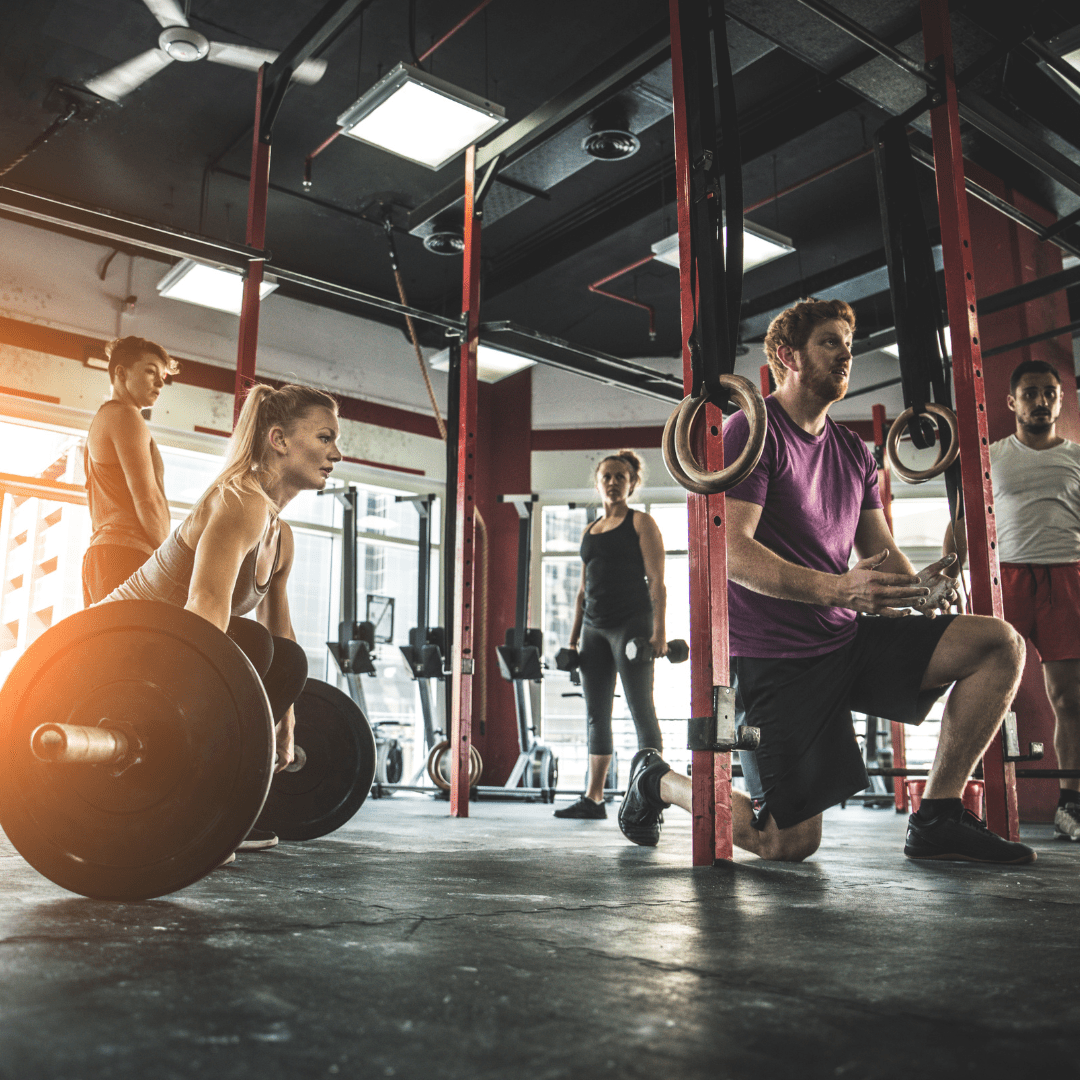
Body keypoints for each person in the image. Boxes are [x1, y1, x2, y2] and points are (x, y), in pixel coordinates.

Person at [618, 297, 1035, 864]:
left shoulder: (852, 451)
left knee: (997, 644)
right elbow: (730, 552)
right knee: (787, 842)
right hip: (776, 657)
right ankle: (657, 778)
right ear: (787, 355)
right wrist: (839, 589)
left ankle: (937, 815)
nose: (846, 356)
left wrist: (921, 594)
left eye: (849, 345)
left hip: (844, 640)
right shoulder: (750, 433)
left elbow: (880, 556)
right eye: (830, 343)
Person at [100, 382, 341, 855]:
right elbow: (205, 610)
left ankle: (218, 801)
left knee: (283, 655)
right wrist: (194, 727)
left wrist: (285, 722)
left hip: (163, 647)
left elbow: (283, 642)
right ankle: (191, 800)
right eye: (325, 438)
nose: (336, 453)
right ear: (279, 440)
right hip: (107, 645)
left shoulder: (280, 533)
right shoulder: (240, 500)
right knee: (247, 644)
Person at [945, 359, 1080, 842]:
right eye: (1031, 393)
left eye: (1050, 392)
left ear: (1060, 400)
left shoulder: (1076, 458)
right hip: (1006, 580)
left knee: (1070, 698)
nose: (1041, 401)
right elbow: (963, 524)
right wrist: (950, 572)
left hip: (1067, 578)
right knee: (983, 690)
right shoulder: (991, 456)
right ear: (1011, 401)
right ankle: (959, 798)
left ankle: (1072, 804)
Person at [555, 451, 668, 820]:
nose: (614, 482)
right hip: (593, 629)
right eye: (607, 476)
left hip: (631, 625)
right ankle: (594, 798)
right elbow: (582, 591)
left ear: (632, 483)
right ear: (598, 481)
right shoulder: (589, 530)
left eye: (621, 476)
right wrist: (571, 641)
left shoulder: (641, 523)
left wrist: (660, 633)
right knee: (595, 715)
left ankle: (651, 799)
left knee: (641, 708)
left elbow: (658, 583)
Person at [82, 336, 178, 605]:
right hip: (125, 554)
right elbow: (147, 499)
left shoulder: (104, 419)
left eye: (162, 375)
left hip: (105, 554)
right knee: (133, 647)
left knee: (110, 646)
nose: (160, 382)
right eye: (150, 371)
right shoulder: (125, 416)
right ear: (121, 373)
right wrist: (173, 563)